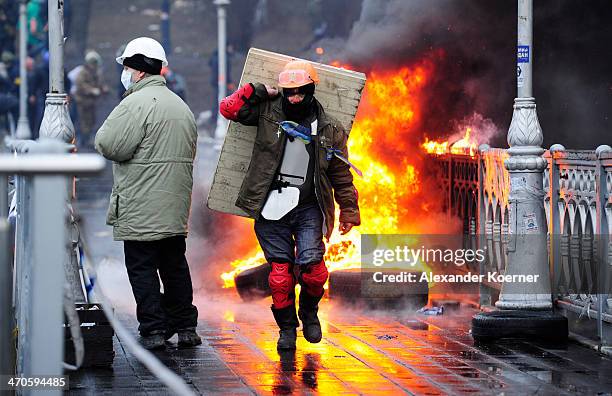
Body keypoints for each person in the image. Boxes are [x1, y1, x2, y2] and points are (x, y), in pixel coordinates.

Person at [219, 60, 361, 350]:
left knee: (315, 271)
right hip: (271, 206)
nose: (295, 97)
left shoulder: (329, 128)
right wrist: (257, 90)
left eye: (300, 91)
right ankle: (287, 329)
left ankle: (309, 313)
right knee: (280, 276)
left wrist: (349, 209)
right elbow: (229, 109)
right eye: (289, 92)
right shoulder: (267, 115)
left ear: (311, 89)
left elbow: (340, 174)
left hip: (310, 207)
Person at [95, 37, 200, 350]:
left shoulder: (133, 105)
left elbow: (108, 144)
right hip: (174, 207)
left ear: (139, 71)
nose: (125, 72)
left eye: (127, 66)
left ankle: (153, 328)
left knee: (142, 268)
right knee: (174, 266)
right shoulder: (181, 107)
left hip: (141, 206)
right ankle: (186, 326)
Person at [74, 50, 107, 147]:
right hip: (83, 102)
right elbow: (80, 85)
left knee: (91, 121)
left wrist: (103, 88)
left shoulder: (95, 73)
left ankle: (87, 139)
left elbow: (99, 84)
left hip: (91, 102)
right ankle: (82, 140)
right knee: (83, 121)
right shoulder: (83, 72)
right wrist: (91, 90)